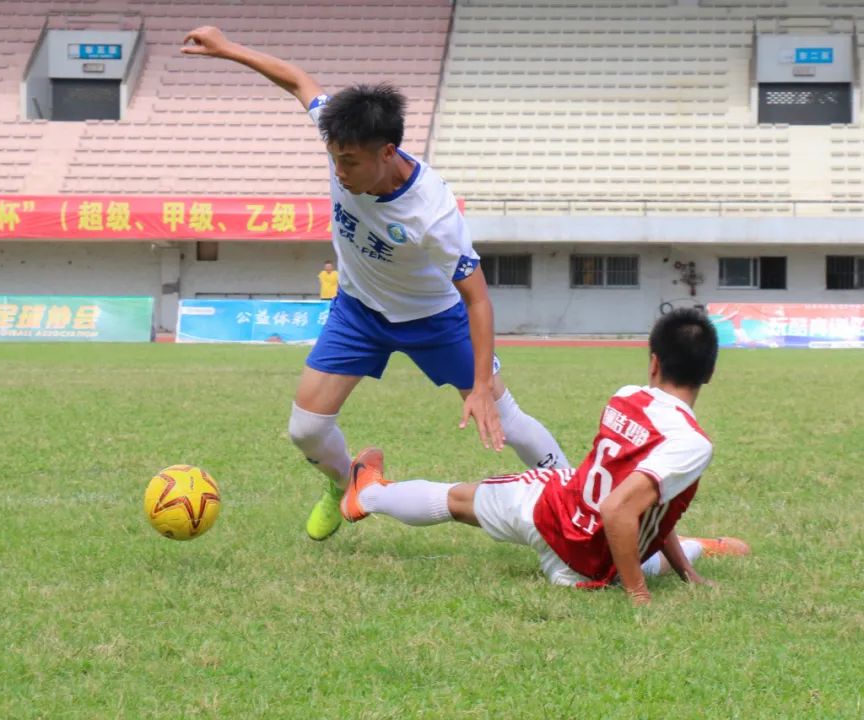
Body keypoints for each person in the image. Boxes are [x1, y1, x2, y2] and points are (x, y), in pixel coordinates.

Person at [182, 27, 569, 541]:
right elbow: (297, 80)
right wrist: (226, 47)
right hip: (358, 311)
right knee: (306, 430)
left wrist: (478, 387)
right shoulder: (342, 135)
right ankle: (348, 482)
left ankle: (578, 497)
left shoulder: (432, 213)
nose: (339, 171)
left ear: (386, 152)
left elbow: (476, 297)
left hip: (433, 320)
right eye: (334, 157)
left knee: (508, 419)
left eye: (350, 162)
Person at [340, 309, 750, 605]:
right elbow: (640, 512)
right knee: (640, 543)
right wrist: (659, 582)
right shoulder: (693, 442)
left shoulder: (627, 397)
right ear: (709, 374)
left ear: (654, 362)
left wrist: (639, 596)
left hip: (551, 514)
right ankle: (701, 547)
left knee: (458, 500)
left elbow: (617, 509)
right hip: (585, 571)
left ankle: (367, 494)